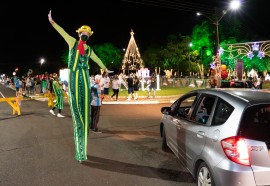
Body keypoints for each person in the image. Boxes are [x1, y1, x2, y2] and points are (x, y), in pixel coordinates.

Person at [48, 10, 108, 163]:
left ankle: (83, 149)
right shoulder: (72, 43)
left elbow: (97, 59)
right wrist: (52, 22)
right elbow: (62, 32)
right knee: (77, 115)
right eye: (83, 32)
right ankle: (79, 150)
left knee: (85, 114)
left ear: (89, 35)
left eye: (87, 33)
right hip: (74, 78)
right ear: (79, 33)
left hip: (84, 79)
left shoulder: (89, 50)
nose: (85, 34)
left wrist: (105, 68)